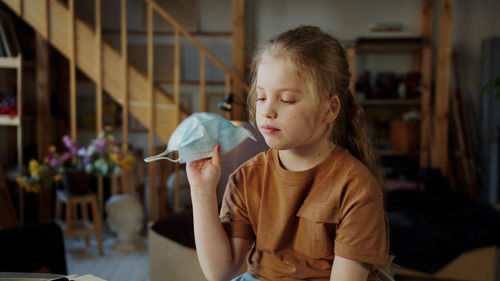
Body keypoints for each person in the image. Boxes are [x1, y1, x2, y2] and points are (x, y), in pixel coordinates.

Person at [186, 25, 391, 281]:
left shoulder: (356, 187)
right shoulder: (247, 177)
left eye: (287, 100)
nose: (267, 111)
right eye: (261, 98)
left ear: (329, 109)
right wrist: (202, 191)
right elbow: (220, 272)